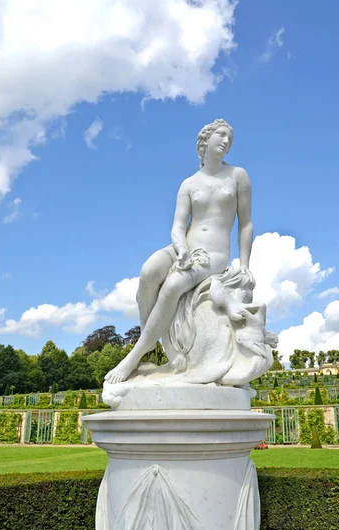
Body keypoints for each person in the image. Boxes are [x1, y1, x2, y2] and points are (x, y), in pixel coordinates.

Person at [106, 118, 254, 383]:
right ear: (205, 140)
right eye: (221, 135)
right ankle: (151, 338)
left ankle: (133, 358)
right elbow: (177, 227)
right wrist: (182, 250)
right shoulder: (188, 184)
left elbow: (246, 224)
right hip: (184, 247)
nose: (226, 141)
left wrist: (245, 264)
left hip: (213, 255)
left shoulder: (238, 176)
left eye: (229, 139)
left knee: (173, 285)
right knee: (149, 271)